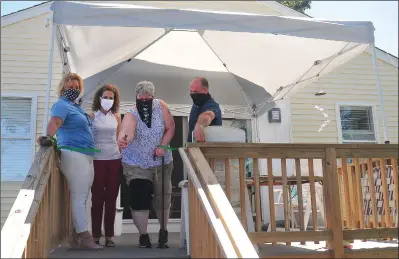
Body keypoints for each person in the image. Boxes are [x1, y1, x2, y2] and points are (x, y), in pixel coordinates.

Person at [37, 73, 102, 250]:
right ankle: (85, 236)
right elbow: (56, 122)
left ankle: (77, 234)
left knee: (84, 197)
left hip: (87, 155)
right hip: (73, 154)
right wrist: (48, 137)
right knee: (80, 196)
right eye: (70, 86)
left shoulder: (76, 107)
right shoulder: (61, 105)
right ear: (62, 88)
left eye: (76, 87)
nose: (73, 90)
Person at [117, 81, 175, 249]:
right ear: (136, 97)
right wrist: (123, 139)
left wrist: (163, 146)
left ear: (153, 96)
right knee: (139, 195)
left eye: (147, 96)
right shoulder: (131, 113)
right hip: (137, 163)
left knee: (163, 196)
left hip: (162, 162)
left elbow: (170, 127)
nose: (144, 99)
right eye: (141, 97)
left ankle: (163, 230)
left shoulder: (160, 106)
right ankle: (143, 235)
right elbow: (127, 129)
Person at [89, 84, 122, 247]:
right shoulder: (92, 115)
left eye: (111, 98)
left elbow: (118, 138)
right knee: (97, 198)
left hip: (114, 159)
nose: (108, 100)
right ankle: (95, 234)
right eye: (105, 97)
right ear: (99, 98)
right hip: (96, 160)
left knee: (112, 198)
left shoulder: (117, 117)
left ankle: (109, 235)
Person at [188, 76, 222, 142]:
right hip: (192, 148)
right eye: (191, 91)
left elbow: (208, 115)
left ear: (206, 90)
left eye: (195, 92)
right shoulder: (196, 104)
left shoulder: (212, 105)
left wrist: (200, 125)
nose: (192, 94)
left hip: (208, 150)